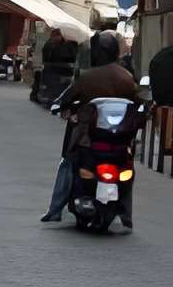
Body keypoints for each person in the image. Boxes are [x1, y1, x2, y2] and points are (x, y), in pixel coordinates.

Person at [41, 29, 142, 229]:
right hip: (120, 139)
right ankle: (126, 213)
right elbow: (138, 103)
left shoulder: (87, 78)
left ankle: (55, 209)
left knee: (67, 163)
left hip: (88, 138)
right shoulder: (127, 78)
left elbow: (65, 99)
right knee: (128, 167)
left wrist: (63, 108)